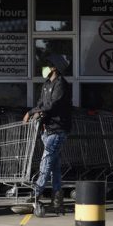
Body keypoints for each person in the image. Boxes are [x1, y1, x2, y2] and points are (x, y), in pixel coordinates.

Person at [24, 54, 72, 214]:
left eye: (48, 64)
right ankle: (57, 201)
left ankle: (35, 194)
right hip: (47, 130)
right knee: (55, 167)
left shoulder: (61, 85)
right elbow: (41, 104)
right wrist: (34, 112)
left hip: (58, 130)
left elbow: (52, 105)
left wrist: (34, 113)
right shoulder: (46, 85)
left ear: (54, 68)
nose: (45, 68)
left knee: (45, 163)